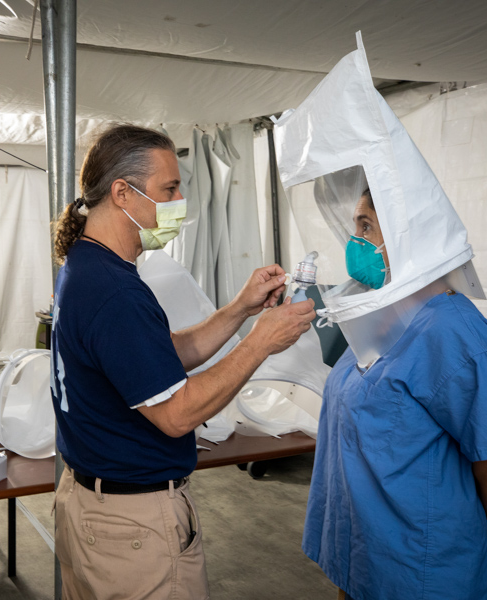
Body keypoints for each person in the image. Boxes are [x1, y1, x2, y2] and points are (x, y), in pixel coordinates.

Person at [50, 123, 316, 599]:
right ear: (123, 194)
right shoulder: (114, 292)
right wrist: (260, 343)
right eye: (169, 189)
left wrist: (239, 309)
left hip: (93, 508)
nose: (179, 203)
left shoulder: (86, 266)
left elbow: (158, 356)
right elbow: (176, 414)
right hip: (132, 528)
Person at [303, 188, 487, 600]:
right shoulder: (382, 312)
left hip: (418, 566)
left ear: (410, 236)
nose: (355, 240)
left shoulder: (453, 332)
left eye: (366, 225)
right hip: (362, 553)